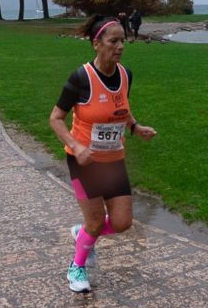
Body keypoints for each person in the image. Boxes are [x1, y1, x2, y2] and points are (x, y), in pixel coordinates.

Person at [49, 15, 157, 293]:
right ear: (97, 44)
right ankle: (77, 267)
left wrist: (135, 127)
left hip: (113, 160)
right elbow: (55, 119)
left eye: (122, 40)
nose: (120, 46)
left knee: (123, 223)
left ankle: (82, 233)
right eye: (113, 41)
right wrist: (77, 146)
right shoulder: (81, 78)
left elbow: (120, 107)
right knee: (96, 221)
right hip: (83, 162)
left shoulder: (125, 74)